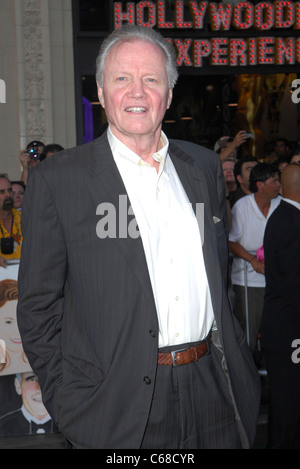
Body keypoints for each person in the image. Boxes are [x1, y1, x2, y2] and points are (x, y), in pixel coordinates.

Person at [17, 25, 260, 450]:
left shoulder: (202, 167)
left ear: (168, 93)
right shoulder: (60, 180)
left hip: (214, 388)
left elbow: (215, 274)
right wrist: (68, 399)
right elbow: (38, 306)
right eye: (122, 78)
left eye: (151, 79)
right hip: (114, 402)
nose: (137, 92)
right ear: (101, 90)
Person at [260, 164, 300, 449]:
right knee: (288, 407)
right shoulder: (290, 223)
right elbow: (296, 284)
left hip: (286, 328)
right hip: (289, 331)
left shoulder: (286, 218)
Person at [229, 163, 281, 352]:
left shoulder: (280, 205)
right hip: (248, 281)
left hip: (277, 281)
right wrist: (252, 260)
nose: (278, 184)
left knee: (276, 331)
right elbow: (231, 241)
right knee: (248, 333)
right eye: (274, 180)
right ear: (260, 184)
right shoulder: (242, 206)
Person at [0, 174, 22, 268]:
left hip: (25, 277)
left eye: (9, 190)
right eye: (2, 192)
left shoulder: (25, 219)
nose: (8, 195)